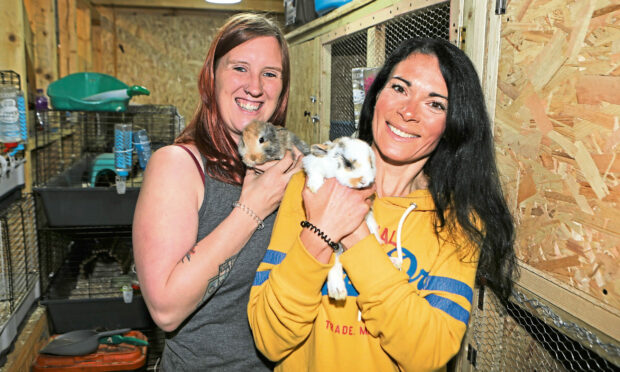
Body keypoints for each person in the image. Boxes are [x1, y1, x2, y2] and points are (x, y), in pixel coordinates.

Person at [248, 37, 517, 371]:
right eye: (400, 88)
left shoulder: (458, 219)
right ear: (376, 96)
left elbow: (428, 353)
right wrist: (319, 233)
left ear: (453, 124)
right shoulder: (312, 182)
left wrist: (353, 230)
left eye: (435, 104)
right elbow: (268, 338)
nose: (407, 111)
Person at [133, 13, 302, 371]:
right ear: (211, 78)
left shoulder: (282, 166)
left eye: (270, 74)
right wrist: (251, 207)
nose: (255, 87)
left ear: (282, 90)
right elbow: (165, 309)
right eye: (240, 68)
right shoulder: (177, 166)